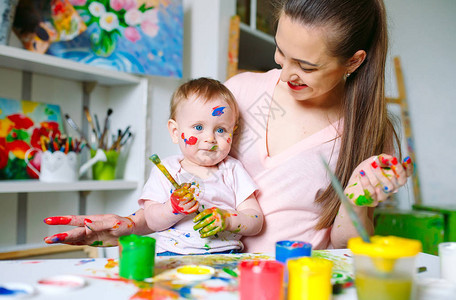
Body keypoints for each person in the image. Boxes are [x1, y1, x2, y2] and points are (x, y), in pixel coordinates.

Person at [44, 0, 413, 253]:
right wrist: (127, 225)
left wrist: (354, 201)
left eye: (306, 65)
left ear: (353, 61)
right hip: (202, 278)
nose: (284, 74)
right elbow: (192, 191)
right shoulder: (238, 95)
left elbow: (344, 248)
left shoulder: (367, 131)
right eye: (280, 52)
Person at [45, 78, 263, 255]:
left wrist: (228, 219)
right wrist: (172, 208)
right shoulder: (166, 169)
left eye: (221, 130)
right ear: (175, 132)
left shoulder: (232, 169)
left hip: (225, 257)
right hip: (172, 256)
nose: (210, 138)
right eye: (198, 127)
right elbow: (151, 219)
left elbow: (255, 220)